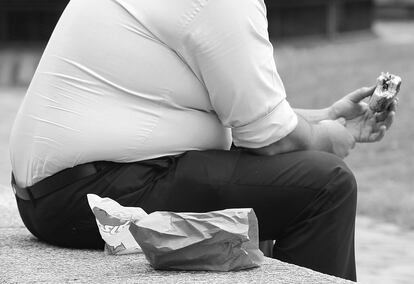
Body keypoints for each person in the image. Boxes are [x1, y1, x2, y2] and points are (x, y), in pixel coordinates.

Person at [9, 0, 396, 281]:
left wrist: (324, 119)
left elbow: (250, 118)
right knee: (325, 183)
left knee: (279, 174)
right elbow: (269, 139)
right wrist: (327, 140)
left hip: (58, 193)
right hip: (93, 198)